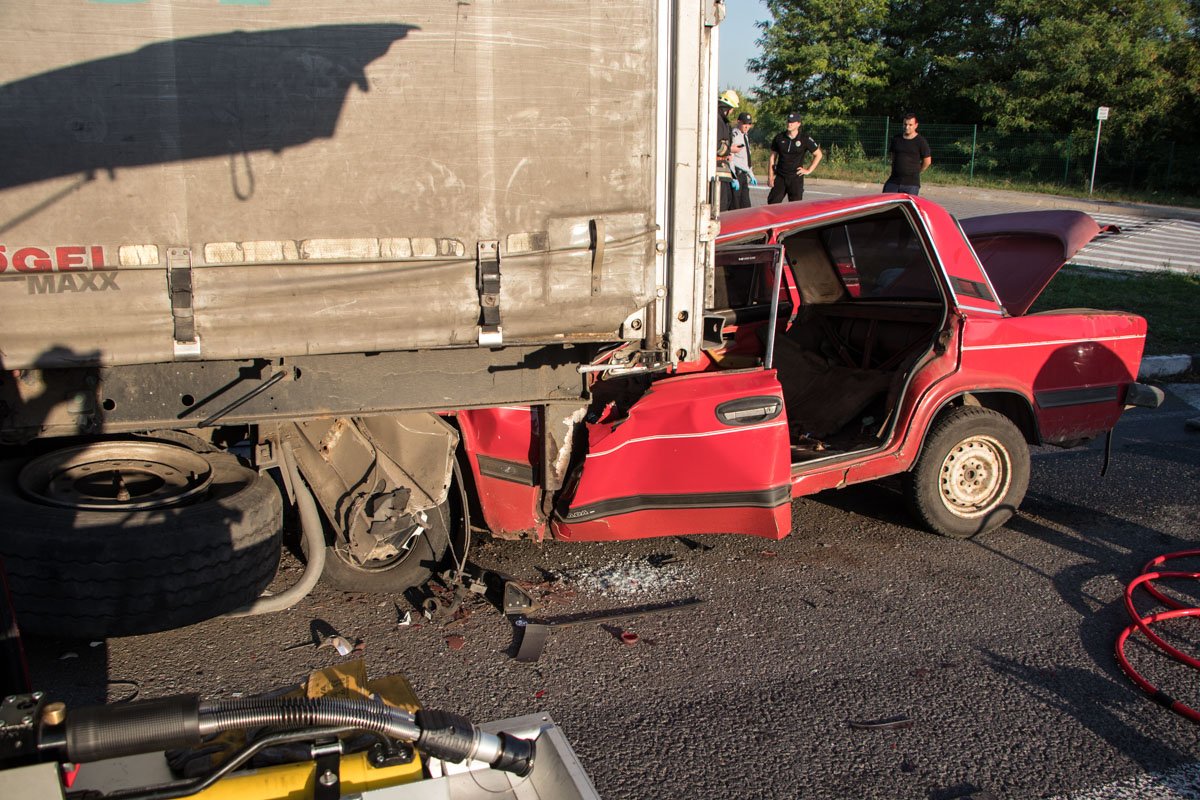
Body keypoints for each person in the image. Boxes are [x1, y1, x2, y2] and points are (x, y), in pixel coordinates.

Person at [767, 113, 822, 204]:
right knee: (772, 203)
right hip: (781, 176)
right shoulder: (779, 138)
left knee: (795, 206)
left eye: (792, 122)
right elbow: (772, 157)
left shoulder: (805, 138)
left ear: (798, 124)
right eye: (788, 121)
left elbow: (818, 154)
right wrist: (770, 177)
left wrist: (808, 170)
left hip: (795, 178)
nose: (790, 124)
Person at [882, 113, 932, 195]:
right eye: (905, 124)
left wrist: (918, 171)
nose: (907, 127)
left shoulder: (921, 141)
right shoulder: (896, 139)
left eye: (910, 125)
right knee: (886, 203)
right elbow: (892, 156)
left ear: (916, 125)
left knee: (906, 207)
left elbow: (927, 161)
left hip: (911, 184)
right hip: (894, 181)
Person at [716, 90, 739, 211]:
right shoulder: (718, 121)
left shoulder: (721, 121)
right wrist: (730, 150)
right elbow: (716, 146)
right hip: (718, 171)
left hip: (723, 170)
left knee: (729, 202)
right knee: (722, 206)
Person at [729, 112, 757, 209]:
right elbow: (730, 157)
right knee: (735, 207)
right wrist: (733, 177)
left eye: (749, 124)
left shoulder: (744, 136)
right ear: (739, 122)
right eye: (745, 123)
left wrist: (751, 174)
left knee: (746, 207)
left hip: (744, 175)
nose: (747, 126)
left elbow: (745, 158)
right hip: (737, 174)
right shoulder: (735, 135)